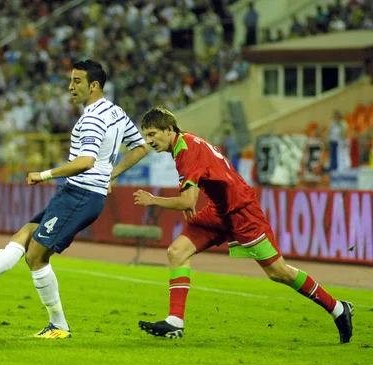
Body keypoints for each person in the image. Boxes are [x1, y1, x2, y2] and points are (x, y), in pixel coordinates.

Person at [0, 60, 150, 338]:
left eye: (77, 81)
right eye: (71, 81)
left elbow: (85, 161)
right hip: (81, 192)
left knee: (35, 255)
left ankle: (58, 325)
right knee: (24, 235)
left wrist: (44, 174)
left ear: (94, 85)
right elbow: (140, 147)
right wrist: (110, 176)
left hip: (81, 193)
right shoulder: (117, 112)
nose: (71, 87)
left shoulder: (93, 118)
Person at [132, 106, 353, 343]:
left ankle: (338, 308)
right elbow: (203, 182)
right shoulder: (183, 144)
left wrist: (153, 200)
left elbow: (188, 199)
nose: (149, 141)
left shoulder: (186, 150)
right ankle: (175, 322)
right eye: (146, 135)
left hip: (242, 212)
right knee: (177, 252)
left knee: (278, 272)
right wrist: (189, 201)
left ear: (168, 129)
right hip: (219, 212)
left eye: (153, 134)